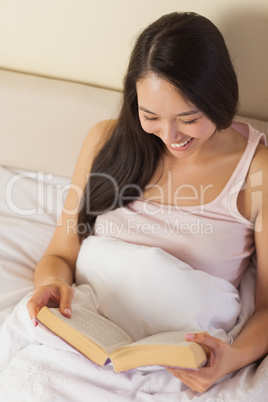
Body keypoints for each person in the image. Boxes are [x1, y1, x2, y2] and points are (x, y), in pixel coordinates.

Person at [27, 11, 268, 393]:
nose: (170, 136)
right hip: (86, 342)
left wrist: (233, 358)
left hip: (176, 364)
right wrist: (53, 285)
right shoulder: (106, 142)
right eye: (150, 115)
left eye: (189, 118)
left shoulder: (257, 171)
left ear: (218, 98)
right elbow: (60, 252)